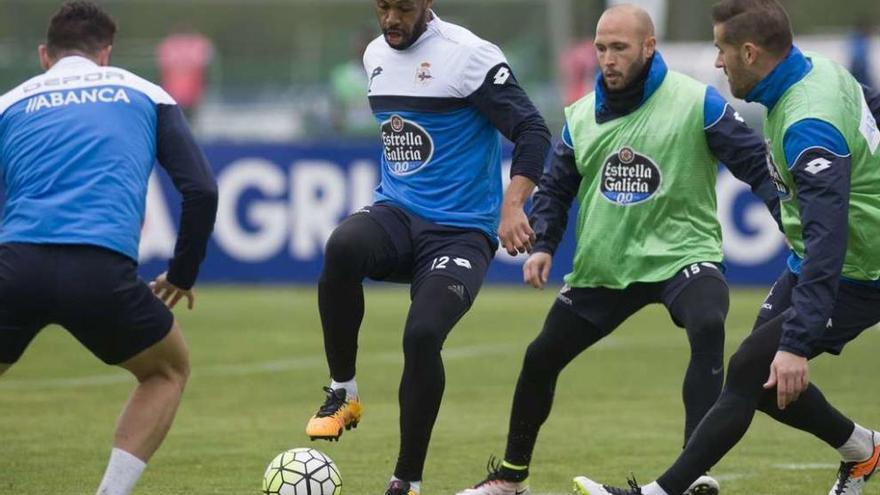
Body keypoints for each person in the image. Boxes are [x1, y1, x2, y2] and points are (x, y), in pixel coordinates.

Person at [456, 4, 782, 495]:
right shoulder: (581, 116)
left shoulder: (697, 102)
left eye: (620, 48)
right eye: (601, 48)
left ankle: (693, 475)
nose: (608, 59)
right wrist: (544, 244)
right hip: (607, 267)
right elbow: (558, 188)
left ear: (649, 47)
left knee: (709, 322)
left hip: (683, 257)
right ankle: (510, 479)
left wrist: (795, 224)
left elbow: (757, 167)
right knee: (540, 357)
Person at [572, 1, 880, 495]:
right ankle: (862, 449)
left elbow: (829, 239)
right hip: (820, 262)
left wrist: (798, 344)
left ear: (751, 52)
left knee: (751, 369)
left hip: (859, 272)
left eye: (722, 49)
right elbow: (871, 112)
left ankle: (659, 492)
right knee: (759, 381)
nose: (717, 62)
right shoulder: (823, 71)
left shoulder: (808, 124)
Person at [302, 1, 551, 494]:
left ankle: (406, 481)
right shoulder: (374, 55)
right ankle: (343, 391)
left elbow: (532, 130)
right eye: (383, 6)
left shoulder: (469, 56)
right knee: (343, 246)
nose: (392, 18)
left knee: (421, 336)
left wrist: (513, 205)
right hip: (397, 213)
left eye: (404, 7)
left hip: (461, 230)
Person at [0, 2, 218, 495]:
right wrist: (181, 274)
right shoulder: (144, 92)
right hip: (100, 271)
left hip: (15, 266)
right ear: (105, 56)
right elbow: (201, 190)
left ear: (43, 56)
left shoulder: (9, 102)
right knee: (167, 371)